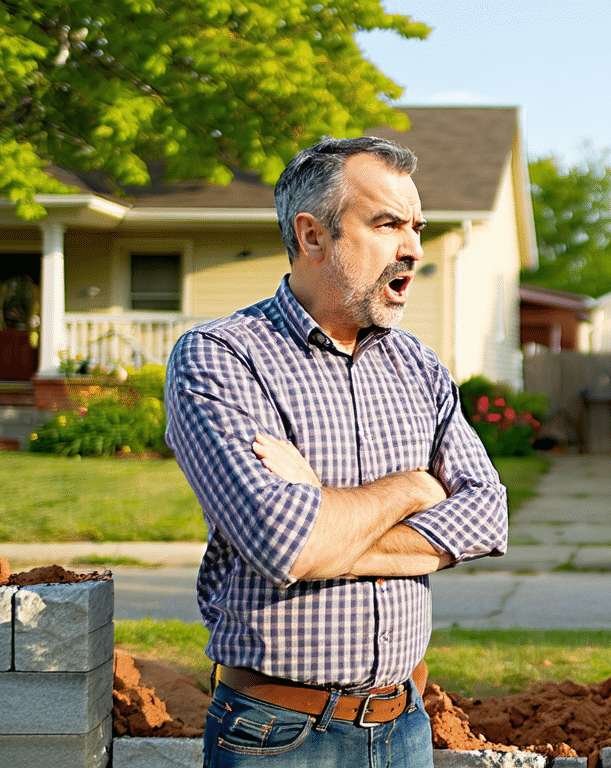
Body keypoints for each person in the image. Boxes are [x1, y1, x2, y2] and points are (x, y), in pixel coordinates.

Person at [164, 135, 508, 768]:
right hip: (278, 735)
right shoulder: (222, 357)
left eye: (417, 227)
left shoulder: (419, 367)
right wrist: (412, 489)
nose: (413, 248)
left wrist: (327, 523)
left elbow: (486, 518)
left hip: (403, 726)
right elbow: (285, 543)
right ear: (313, 235)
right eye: (386, 224)